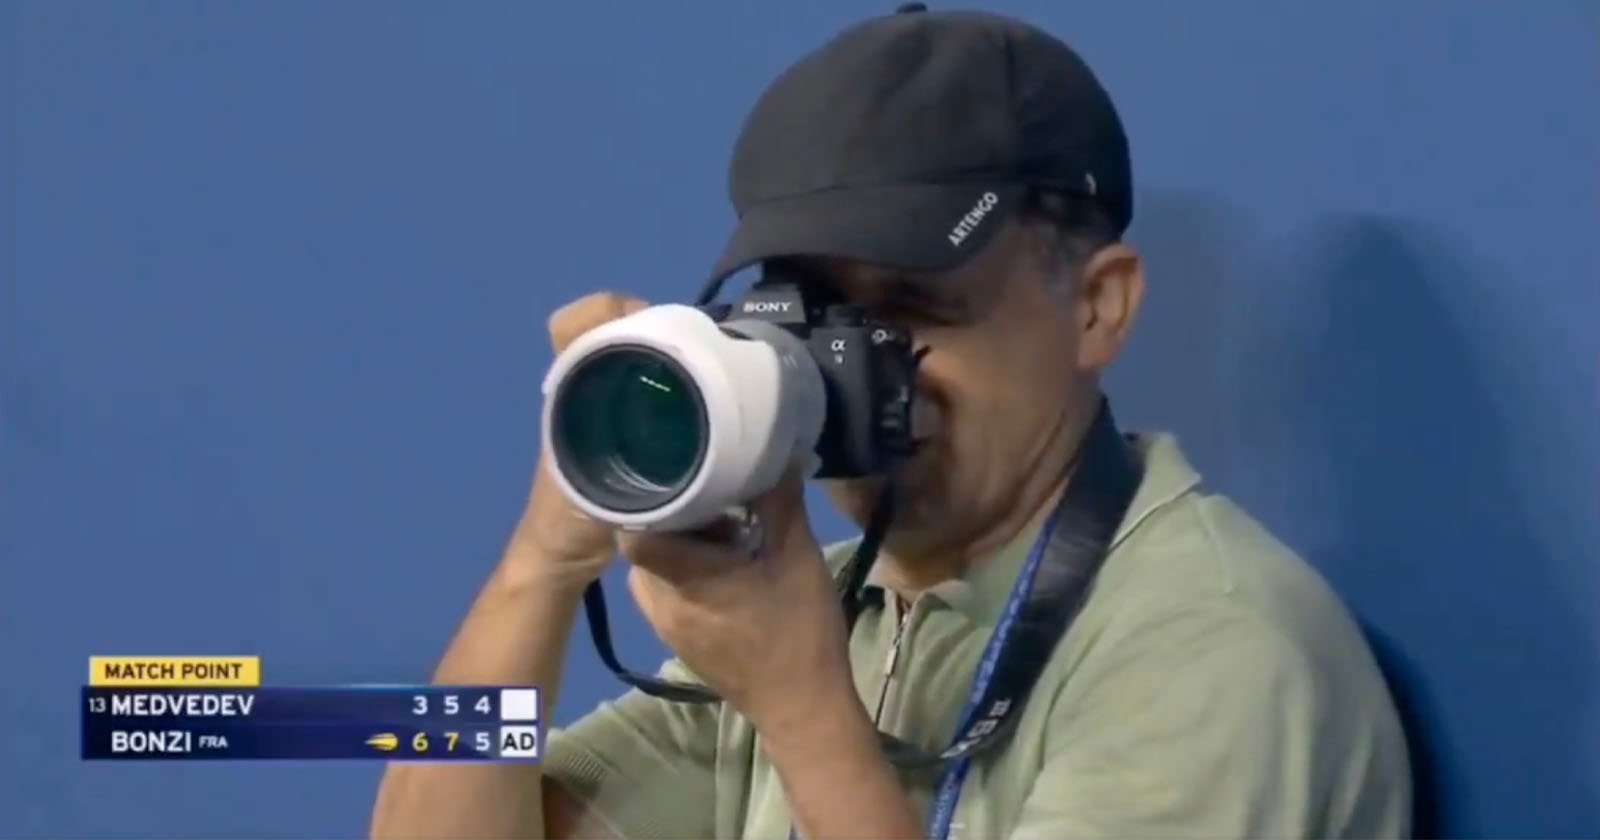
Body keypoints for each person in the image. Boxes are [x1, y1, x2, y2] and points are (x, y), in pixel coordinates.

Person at [370, 6, 1411, 839]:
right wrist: (543, 565)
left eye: (911, 310)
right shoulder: (834, 610)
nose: (854, 371)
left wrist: (807, 715)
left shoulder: (1211, 648)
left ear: (1098, 307)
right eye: (814, 316)